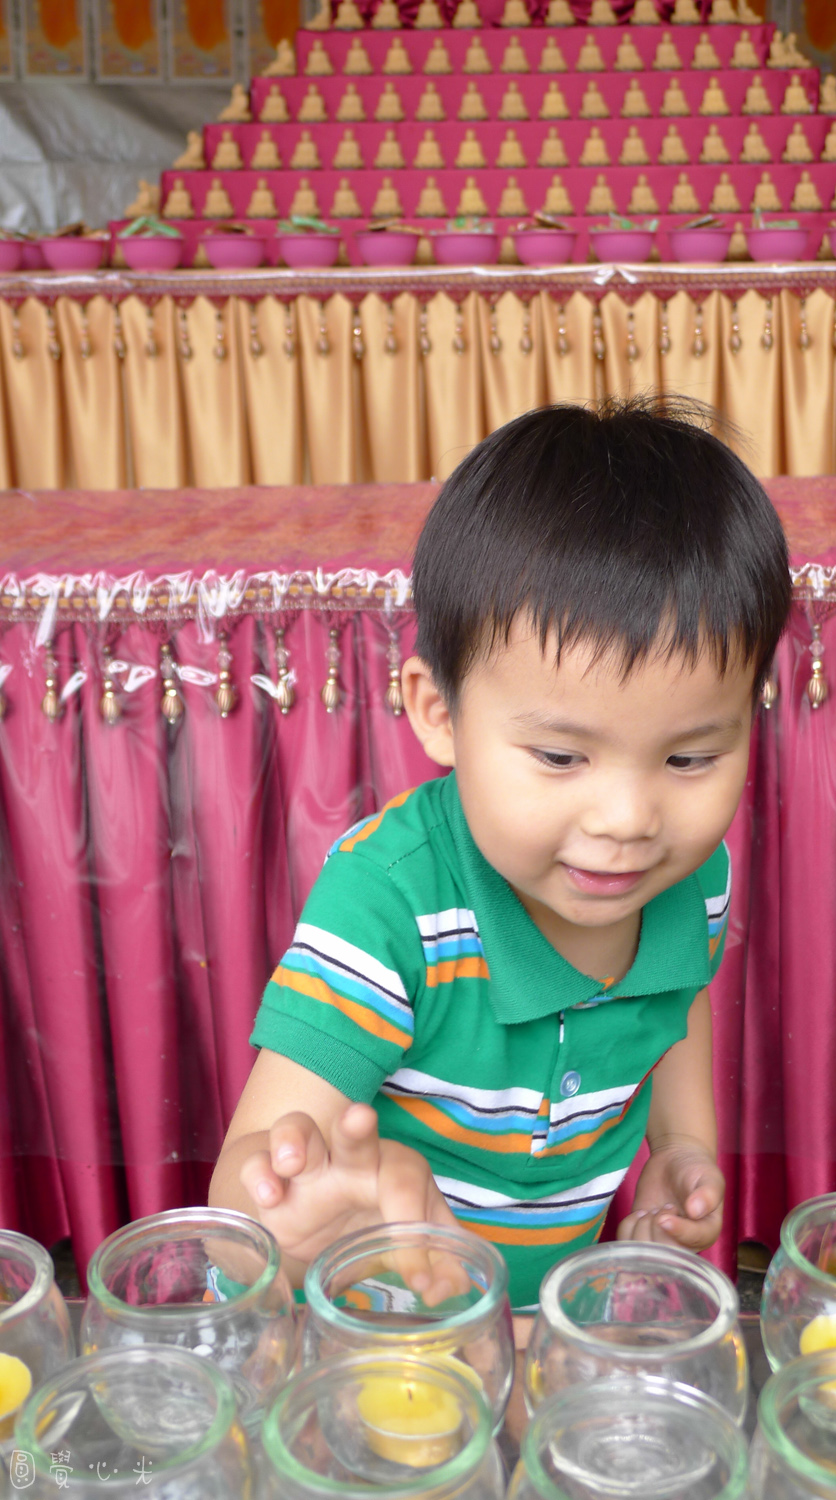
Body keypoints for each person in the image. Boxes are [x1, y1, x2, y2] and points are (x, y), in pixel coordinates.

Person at [208, 398, 790, 1318]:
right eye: (560, 756)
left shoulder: (688, 877)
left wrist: (682, 1144)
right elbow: (236, 1202)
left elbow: (677, 997)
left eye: (689, 760)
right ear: (438, 714)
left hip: (541, 1318)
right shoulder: (391, 901)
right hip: (376, 1336)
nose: (629, 820)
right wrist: (296, 1216)